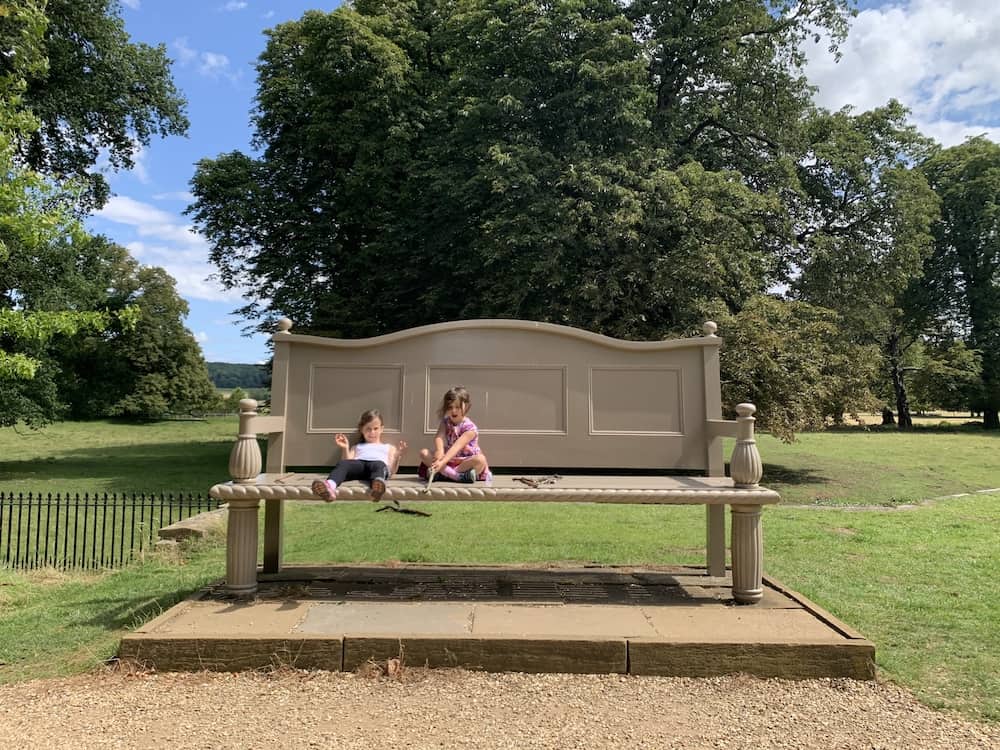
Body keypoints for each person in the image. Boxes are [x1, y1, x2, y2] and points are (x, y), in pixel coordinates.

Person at [311, 409, 407, 502]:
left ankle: (376, 489)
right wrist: (345, 448)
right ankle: (329, 487)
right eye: (368, 429)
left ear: (382, 429)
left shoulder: (388, 448)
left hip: (376, 467)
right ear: (361, 429)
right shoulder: (357, 447)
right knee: (343, 463)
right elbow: (348, 463)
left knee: (379, 465)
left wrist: (397, 457)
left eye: (376, 428)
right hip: (359, 465)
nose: (372, 432)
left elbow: (392, 471)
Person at [418, 386, 492, 483]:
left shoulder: (470, 428)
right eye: (450, 407)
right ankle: (455, 476)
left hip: (464, 462)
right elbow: (439, 436)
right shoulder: (446, 421)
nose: (453, 410)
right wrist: (439, 451)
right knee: (423, 453)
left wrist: (442, 462)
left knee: (481, 460)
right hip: (448, 459)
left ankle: (445, 474)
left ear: (466, 406)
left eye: (457, 407)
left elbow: (457, 447)